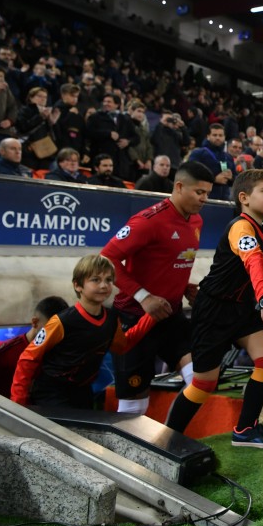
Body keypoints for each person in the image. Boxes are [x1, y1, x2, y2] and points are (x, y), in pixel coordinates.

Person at [165, 170, 263, 447]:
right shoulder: (240, 227)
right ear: (244, 198)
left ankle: (245, 430)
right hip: (213, 311)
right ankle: (167, 438)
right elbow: (253, 263)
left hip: (241, 309)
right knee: (204, 383)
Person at [100, 161, 215, 415]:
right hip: (134, 318)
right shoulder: (147, 221)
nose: (205, 198)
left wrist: (184, 286)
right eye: (199, 192)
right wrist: (144, 297)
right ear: (179, 187)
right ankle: (125, 454)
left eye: (208, 193)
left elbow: (169, 262)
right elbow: (106, 259)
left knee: (202, 380)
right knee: (134, 405)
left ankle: (172, 435)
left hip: (170, 315)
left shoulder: (196, 221)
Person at [10, 255, 158, 408]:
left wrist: (151, 317)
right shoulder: (61, 321)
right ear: (77, 285)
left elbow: (122, 345)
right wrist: (18, 404)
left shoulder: (112, 318)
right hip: (51, 393)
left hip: (83, 392)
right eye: (95, 280)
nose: (104, 285)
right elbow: (28, 358)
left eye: (108, 280)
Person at [0, 296, 66, 397]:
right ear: (35, 322)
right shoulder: (4, 355)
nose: (55, 335)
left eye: (60, 330)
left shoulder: (66, 353)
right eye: (50, 329)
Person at [86, 93, 138, 182]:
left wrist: (128, 142)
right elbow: (89, 133)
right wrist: (108, 134)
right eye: (104, 101)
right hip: (100, 156)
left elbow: (136, 138)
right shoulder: (95, 117)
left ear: (117, 105)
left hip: (120, 162)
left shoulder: (125, 119)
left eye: (109, 102)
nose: (106, 103)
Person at [188, 123, 236, 200]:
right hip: (203, 200)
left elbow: (235, 180)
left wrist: (231, 178)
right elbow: (191, 174)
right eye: (214, 135)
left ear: (224, 137)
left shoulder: (228, 157)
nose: (218, 138)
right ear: (208, 136)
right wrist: (213, 179)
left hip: (225, 201)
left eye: (220, 135)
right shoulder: (198, 153)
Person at [15, 86, 59, 170]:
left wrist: (53, 122)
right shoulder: (25, 110)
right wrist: (40, 117)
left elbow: (54, 135)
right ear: (31, 98)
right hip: (29, 151)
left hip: (46, 151)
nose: (43, 99)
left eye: (45, 97)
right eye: (39, 96)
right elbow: (23, 127)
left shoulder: (48, 112)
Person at [0, 66, 18, 161]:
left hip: (2, 132)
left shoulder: (1, 83)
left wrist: (10, 120)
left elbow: (13, 106)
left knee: (0, 165)